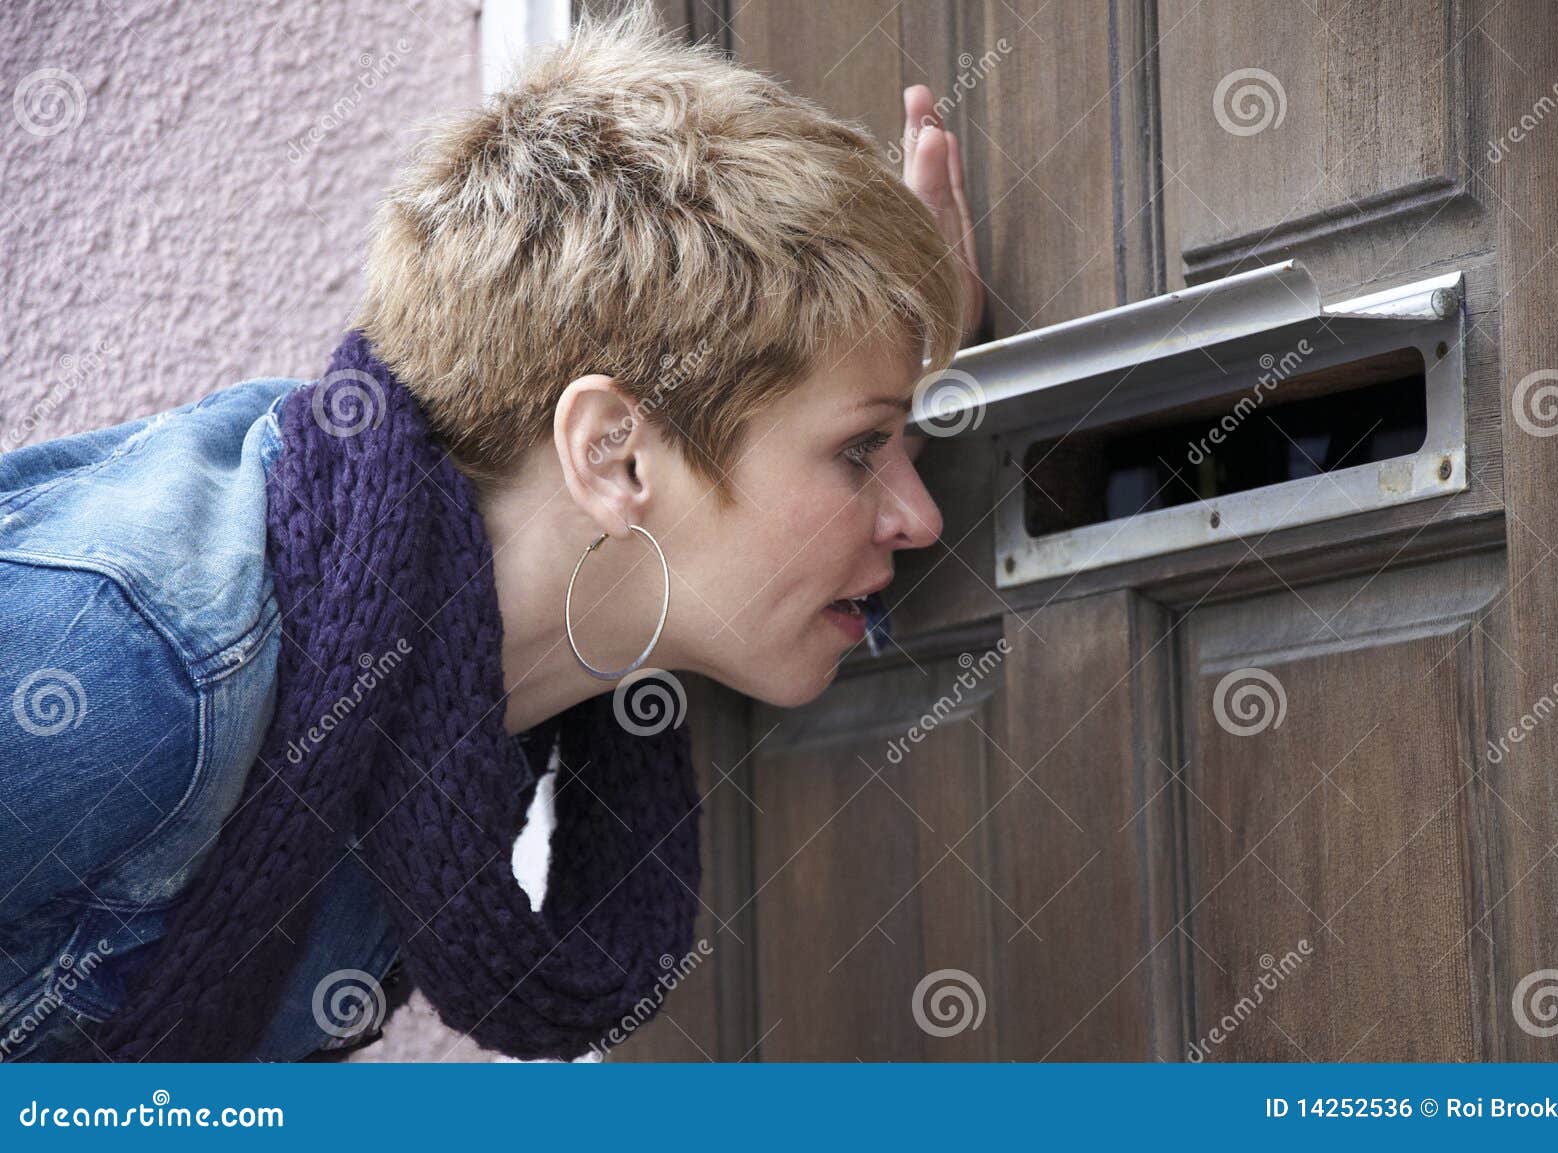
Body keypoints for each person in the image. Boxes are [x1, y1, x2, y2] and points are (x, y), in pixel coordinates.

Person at [0, 3, 983, 1062]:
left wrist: (902, 358)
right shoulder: (137, 665)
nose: (918, 518)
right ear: (613, 455)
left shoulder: (437, 689)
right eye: (860, 449)